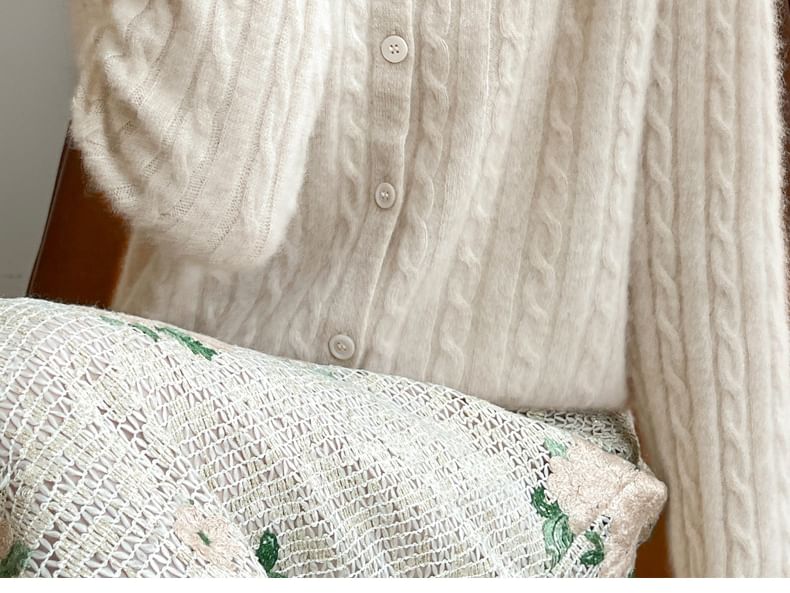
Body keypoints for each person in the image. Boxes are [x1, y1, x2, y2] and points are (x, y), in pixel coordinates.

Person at [68, 0, 790, 577]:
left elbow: (714, 279)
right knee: (34, 372)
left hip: (505, 480)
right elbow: (212, 204)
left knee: (31, 364)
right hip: (202, 436)